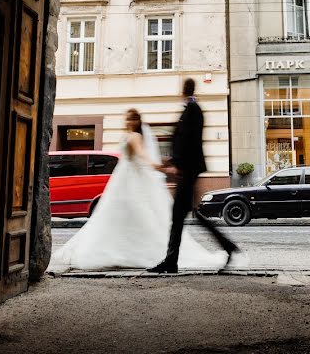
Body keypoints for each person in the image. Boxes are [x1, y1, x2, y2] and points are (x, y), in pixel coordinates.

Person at [48, 108, 225, 272]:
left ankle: (126, 251)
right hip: (122, 179)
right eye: (127, 118)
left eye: (132, 119)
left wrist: (156, 165)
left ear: (137, 121)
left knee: (130, 216)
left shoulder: (134, 137)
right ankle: (118, 250)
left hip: (130, 181)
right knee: (115, 216)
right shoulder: (129, 135)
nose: (129, 121)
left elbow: (141, 155)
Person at [148, 78, 239, 274]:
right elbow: (185, 140)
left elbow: (188, 141)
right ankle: (227, 247)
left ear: (184, 89)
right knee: (191, 216)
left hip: (187, 171)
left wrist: (176, 164)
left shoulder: (192, 110)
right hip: (188, 170)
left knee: (179, 216)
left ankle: (171, 262)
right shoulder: (191, 109)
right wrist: (172, 161)